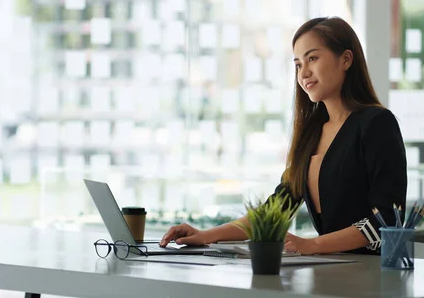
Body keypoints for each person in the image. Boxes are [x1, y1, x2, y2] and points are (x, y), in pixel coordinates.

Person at [159, 16, 407, 255]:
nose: (304, 73)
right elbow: (276, 210)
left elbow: (386, 220)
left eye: (312, 59)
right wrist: (206, 235)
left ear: (346, 59)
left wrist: (312, 245)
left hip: (370, 276)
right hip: (330, 271)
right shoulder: (312, 133)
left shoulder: (376, 123)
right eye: (298, 64)